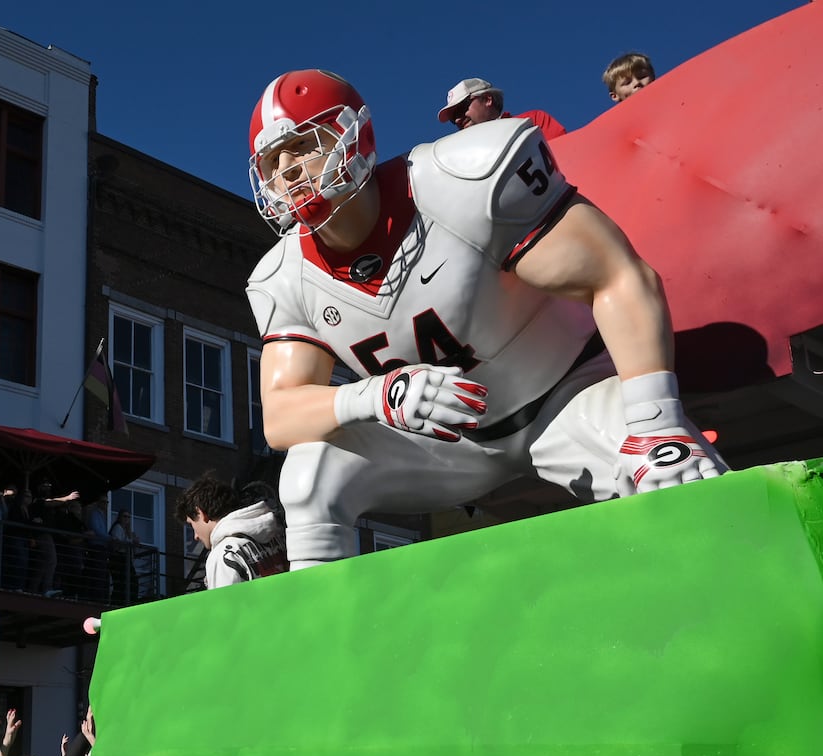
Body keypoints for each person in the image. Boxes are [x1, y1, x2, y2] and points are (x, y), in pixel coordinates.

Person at [245, 69, 726, 567]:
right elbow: (281, 415)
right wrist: (376, 396)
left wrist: (658, 423)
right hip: (454, 445)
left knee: (681, 478)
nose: (289, 172)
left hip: (565, 398)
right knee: (308, 473)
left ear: (355, 136)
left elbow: (617, 276)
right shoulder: (284, 276)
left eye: (304, 145)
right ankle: (323, 635)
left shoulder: (459, 178)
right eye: (272, 162)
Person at [174, 473, 287, 588]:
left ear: (201, 513)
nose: (195, 536)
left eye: (191, 524)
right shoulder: (274, 537)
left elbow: (224, 605)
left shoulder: (223, 555)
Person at [436, 77, 566, 138]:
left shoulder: (532, 123)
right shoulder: (457, 156)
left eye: (461, 109)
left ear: (487, 99)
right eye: (453, 119)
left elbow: (564, 157)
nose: (458, 120)